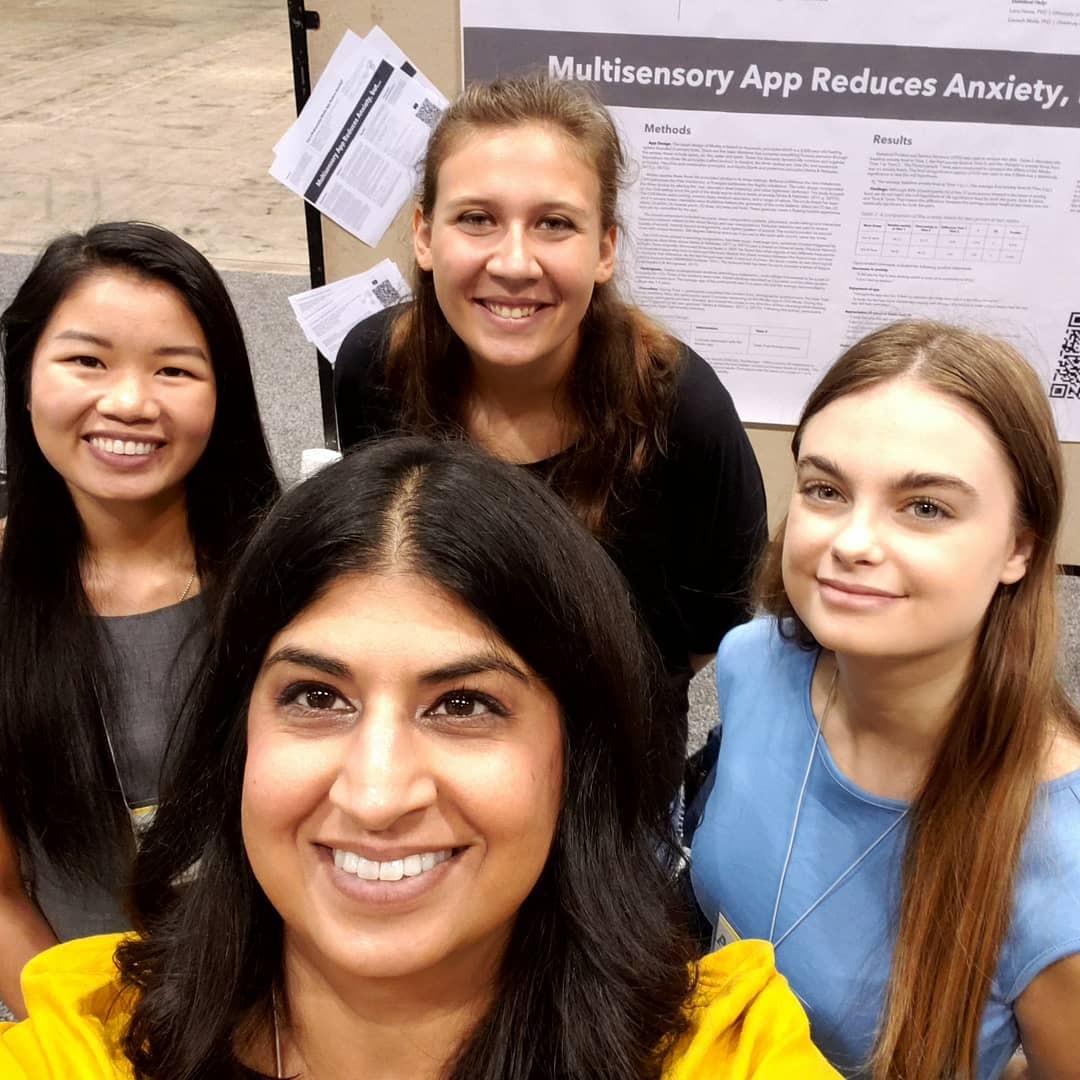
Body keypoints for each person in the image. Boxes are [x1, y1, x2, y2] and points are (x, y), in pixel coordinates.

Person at [0, 437, 836, 1079]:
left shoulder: (721, 1053)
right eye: (316, 696)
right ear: (236, 740)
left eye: (464, 705)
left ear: (575, 759)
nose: (376, 795)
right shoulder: (89, 1042)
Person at [333, 74, 767, 798]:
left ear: (604, 248)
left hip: (610, 772)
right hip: (431, 753)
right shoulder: (375, 368)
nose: (513, 262)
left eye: (554, 224)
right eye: (477, 218)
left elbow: (711, 628)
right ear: (425, 235)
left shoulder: (683, 411)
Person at [689, 320, 1080, 1079]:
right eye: (826, 490)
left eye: (925, 507)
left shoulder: (1059, 866)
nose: (852, 542)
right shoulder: (754, 664)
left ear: (1019, 547)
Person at [0, 222, 280, 1017]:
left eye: (174, 370)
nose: (128, 402)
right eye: (87, 361)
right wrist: (92, 1040)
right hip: (78, 1013)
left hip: (282, 1009)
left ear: (222, 394)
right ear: (26, 379)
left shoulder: (288, 575)